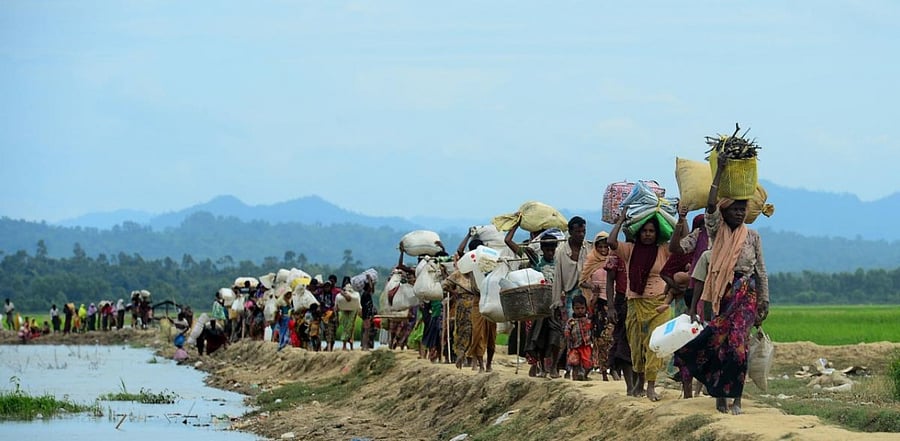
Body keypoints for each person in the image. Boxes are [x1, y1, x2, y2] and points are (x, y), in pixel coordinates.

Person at [677, 155, 770, 415]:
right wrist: (721, 173)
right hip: (723, 293)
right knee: (720, 344)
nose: (739, 212)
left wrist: (765, 301)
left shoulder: (753, 236)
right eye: (734, 209)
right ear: (725, 211)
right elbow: (709, 206)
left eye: (743, 209)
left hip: (746, 294)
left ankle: (736, 398)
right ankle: (719, 395)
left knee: (740, 346)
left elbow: (761, 270)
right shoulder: (717, 232)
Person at [608, 212, 672, 402]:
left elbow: (681, 240)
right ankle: (639, 382)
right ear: (638, 232)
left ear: (657, 233)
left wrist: (682, 218)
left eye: (652, 231)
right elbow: (611, 242)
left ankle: (651, 386)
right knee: (636, 346)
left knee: (654, 344)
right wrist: (620, 220)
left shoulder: (663, 250)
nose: (648, 234)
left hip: (658, 304)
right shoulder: (629, 250)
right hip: (635, 303)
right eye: (644, 231)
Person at [506, 221, 561, 378]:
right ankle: (542, 367)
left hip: (555, 305)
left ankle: (554, 366)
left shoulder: (559, 263)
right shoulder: (536, 261)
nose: (551, 252)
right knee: (539, 338)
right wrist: (516, 225)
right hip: (539, 307)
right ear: (543, 249)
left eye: (553, 249)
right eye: (548, 250)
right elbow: (508, 242)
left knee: (556, 337)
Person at [581, 231, 616, 381]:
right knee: (600, 340)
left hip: (612, 303)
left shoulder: (614, 259)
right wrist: (591, 288)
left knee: (613, 338)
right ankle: (603, 372)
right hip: (598, 305)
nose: (603, 250)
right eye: (600, 247)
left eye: (606, 247)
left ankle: (613, 368)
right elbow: (582, 280)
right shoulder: (591, 261)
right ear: (596, 247)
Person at [565, 295, 593, 381]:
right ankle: (575, 379)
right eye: (577, 308)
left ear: (585, 308)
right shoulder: (571, 321)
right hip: (575, 346)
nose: (580, 310)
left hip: (586, 346)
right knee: (575, 363)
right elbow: (567, 333)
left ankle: (584, 375)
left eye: (582, 308)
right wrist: (568, 346)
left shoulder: (589, 320)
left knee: (588, 364)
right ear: (573, 308)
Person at [338, 284, 359, 351]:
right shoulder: (342, 295)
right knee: (347, 327)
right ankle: (345, 346)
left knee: (350, 327)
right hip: (346, 312)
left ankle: (350, 346)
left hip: (352, 312)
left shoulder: (353, 295)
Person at [359, 275, 377, 350]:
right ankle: (364, 346)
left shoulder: (366, 294)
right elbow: (371, 289)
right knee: (366, 330)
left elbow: (372, 290)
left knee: (367, 330)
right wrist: (370, 280)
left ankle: (365, 346)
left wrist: (371, 282)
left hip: (367, 314)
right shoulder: (365, 295)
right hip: (366, 314)